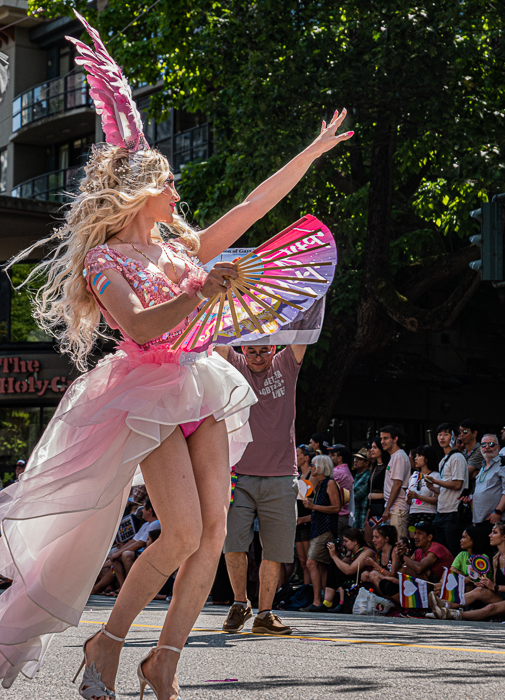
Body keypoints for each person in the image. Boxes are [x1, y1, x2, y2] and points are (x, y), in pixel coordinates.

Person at [0, 13, 354, 696]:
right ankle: (105, 644)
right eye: (169, 185)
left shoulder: (181, 249)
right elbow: (137, 325)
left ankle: (163, 660)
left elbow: (251, 207)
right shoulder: (105, 262)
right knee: (182, 534)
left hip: (200, 384)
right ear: (143, 193)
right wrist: (199, 293)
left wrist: (311, 153)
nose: (178, 193)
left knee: (213, 534)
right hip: (147, 392)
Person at [217, 343, 306, 636]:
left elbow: (303, 331)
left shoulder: (286, 364)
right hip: (238, 476)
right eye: (252, 351)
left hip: (281, 476)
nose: (258, 357)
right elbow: (216, 334)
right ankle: (240, 603)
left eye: (264, 351)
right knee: (233, 544)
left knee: (275, 549)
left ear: (274, 348)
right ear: (243, 349)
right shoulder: (235, 363)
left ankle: (265, 614)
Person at [430, 523, 505, 620]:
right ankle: (444, 605)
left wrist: (495, 587)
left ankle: (451, 614)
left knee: (490, 608)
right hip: (500, 596)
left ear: (504, 537)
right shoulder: (496, 559)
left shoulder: (484, 557)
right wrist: (486, 584)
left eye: (494, 533)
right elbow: (495, 584)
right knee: (479, 590)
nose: (490, 535)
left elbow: (495, 586)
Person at [300, 455, 341, 610]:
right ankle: (326, 601)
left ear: (321, 467)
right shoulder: (319, 485)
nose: (311, 467)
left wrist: (313, 506)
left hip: (325, 529)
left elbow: (336, 508)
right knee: (322, 566)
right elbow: (319, 511)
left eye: (313, 465)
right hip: (317, 529)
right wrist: (303, 518)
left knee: (311, 563)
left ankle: (317, 601)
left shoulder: (330, 483)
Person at [426, 423, 469, 556]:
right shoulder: (444, 459)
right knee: (441, 552)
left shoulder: (457, 457)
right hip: (441, 511)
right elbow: (445, 489)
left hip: (453, 511)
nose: (442, 438)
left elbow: (457, 484)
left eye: (446, 434)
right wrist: (433, 488)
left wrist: (435, 481)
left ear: (454, 437)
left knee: (453, 551)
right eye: (439, 435)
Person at [321, 528, 375, 612]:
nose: (343, 544)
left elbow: (350, 570)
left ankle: (342, 603)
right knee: (335, 563)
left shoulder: (367, 552)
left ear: (355, 542)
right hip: (354, 581)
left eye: (346, 541)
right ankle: (327, 601)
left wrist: (334, 556)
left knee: (337, 564)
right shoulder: (352, 552)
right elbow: (342, 565)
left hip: (364, 583)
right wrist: (339, 554)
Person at [379, 425, 411, 538]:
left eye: (386, 438)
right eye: (381, 438)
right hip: (394, 508)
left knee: (399, 543)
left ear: (395, 439)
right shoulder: (395, 456)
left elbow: (397, 484)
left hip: (398, 508)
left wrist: (387, 508)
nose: (382, 442)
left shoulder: (399, 456)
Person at [471, 434, 505, 537]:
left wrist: (498, 511)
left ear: (498, 447)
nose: (487, 447)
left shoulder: (502, 464)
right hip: (479, 520)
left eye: (491, 444)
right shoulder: (483, 466)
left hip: (494, 519)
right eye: (483, 445)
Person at [295, 444, 317, 585]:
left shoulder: (312, 476)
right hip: (297, 521)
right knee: (302, 562)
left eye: (297, 455)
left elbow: (316, 500)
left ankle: (312, 590)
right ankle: (305, 590)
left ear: (306, 458)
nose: (295, 458)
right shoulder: (297, 476)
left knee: (310, 562)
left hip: (308, 521)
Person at [406, 445, 440, 531]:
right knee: (413, 539)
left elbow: (437, 500)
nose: (415, 458)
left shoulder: (435, 476)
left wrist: (418, 496)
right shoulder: (414, 476)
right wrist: (409, 497)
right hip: (413, 513)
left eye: (419, 456)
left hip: (428, 513)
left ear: (427, 459)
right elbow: (409, 502)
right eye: (416, 456)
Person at [361, 524, 398, 593]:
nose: (373, 540)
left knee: (373, 574)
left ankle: (387, 599)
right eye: (373, 537)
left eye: (377, 537)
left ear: (386, 539)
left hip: (393, 584)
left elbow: (392, 575)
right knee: (365, 574)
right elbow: (378, 571)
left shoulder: (394, 551)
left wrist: (374, 564)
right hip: (384, 581)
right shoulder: (379, 553)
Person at [327, 444, 353, 535]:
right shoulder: (346, 470)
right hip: (343, 515)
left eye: (332, 455)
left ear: (339, 458)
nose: (329, 456)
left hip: (336, 516)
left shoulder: (336, 472)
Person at [366, 438, 389, 524]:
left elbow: (392, 490)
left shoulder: (388, 467)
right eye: (371, 447)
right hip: (372, 508)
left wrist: (375, 495)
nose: (371, 450)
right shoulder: (374, 467)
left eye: (375, 447)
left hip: (383, 508)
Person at [351, 448, 371, 530]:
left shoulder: (367, 476)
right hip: (355, 517)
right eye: (355, 458)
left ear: (367, 463)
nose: (355, 461)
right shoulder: (357, 476)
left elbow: (354, 496)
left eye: (359, 459)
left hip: (361, 517)